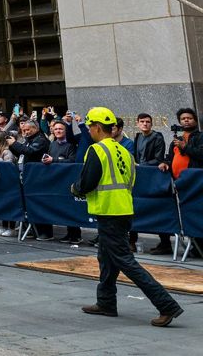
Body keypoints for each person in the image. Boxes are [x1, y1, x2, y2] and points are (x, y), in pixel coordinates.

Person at [71, 107, 183, 327]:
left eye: (89, 127)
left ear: (95, 127)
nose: (89, 131)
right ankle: (105, 302)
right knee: (106, 257)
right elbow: (131, 180)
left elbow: (87, 182)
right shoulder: (124, 151)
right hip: (124, 209)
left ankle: (166, 305)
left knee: (125, 261)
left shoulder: (97, 150)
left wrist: (75, 188)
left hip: (109, 211)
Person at [130, 113, 173, 256]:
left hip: (152, 175)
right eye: (142, 121)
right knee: (134, 207)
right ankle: (132, 241)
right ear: (137, 123)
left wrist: (142, 165)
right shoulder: (138, 137)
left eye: (148, 122)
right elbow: (135, 155)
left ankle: (165, 242)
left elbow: (159, 158)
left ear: (151, 124)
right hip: (139, 176)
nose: (145, 124)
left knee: (156, 208)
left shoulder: (157, 137)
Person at [169, 107, 203, 175]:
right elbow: (170, 159)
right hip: (177, 181)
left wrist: (185, 147)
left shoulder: (200, 136)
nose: (186, 120)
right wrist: (165, 163)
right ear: (180, 122)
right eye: (183, 119)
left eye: (190, 118)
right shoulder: (176, 141)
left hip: (195, 179)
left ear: (196, 121)